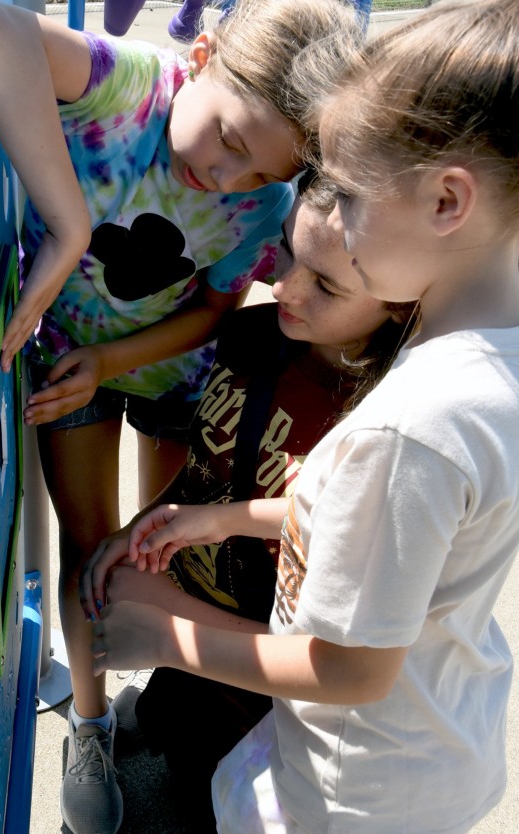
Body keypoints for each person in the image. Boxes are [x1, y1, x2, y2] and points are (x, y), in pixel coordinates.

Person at [88, 0, 519, 831]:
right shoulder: (488, 356)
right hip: (431, 742)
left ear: (446, 201)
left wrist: (165, 635)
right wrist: (223, 518)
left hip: (350, 789)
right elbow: (387, 530)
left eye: (352, 193)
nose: (334, 223)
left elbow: (352, 671)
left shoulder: (416, 420)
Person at [0, 3, 361, 834]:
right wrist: (68, 229)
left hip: (173, 374)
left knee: (166, 545)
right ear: (201, 56)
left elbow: (214, 310)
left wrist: (116, 359)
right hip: (68, 358)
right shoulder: (123, 88)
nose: (231, 179)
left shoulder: (263, 198)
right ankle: (93, 725)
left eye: (260, 175)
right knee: (92, 543)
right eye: (234, 142)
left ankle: (153, 691)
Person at [81, 171, 418, 832]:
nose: (280, 285)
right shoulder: (253, 335)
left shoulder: (385, 423)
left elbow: (340, 660)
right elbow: (213, 468)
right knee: (162, 750)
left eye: (326, 283)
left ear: (399, 299)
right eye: (287, 251)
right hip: (190, 653)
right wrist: (147, 526)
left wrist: (172, 629)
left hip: (269, 707)